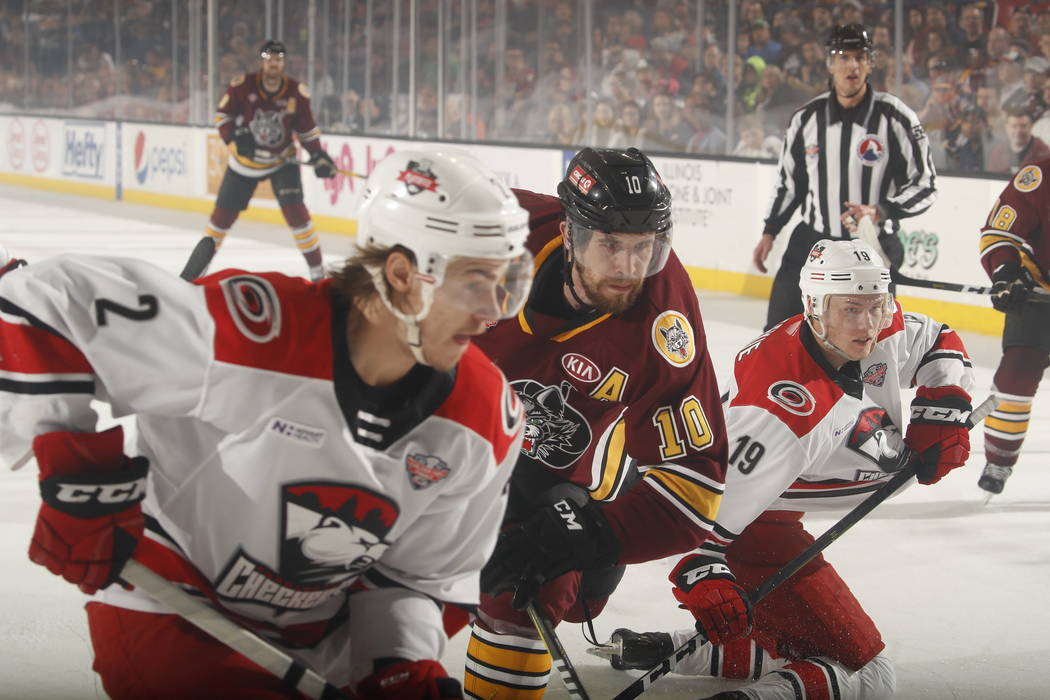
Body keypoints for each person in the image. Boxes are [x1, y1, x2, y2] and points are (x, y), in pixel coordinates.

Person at [0, 148, 536, 699]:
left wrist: (399, 665)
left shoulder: (484, 418)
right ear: (402, 274)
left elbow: (419, 575)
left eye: (504, 283)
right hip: (174, 611)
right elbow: (40, 303)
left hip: (322, 645)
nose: (493, 310)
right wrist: (77, 479)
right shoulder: (252, 332)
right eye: (476, 281)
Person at [596, 239, 975, 700]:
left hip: (772, 512)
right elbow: (702, 527)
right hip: (751, 525)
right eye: (852, 310)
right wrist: (707, 577)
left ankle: (664, 650)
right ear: (814, 306)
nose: (870, 324)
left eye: (877, 307)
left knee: (802, 640)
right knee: (869, 677)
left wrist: (942, 409)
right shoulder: (782, 413)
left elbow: (940, 341)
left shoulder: (877, 327)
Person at [461, 148, 733, 698]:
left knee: (529, 599)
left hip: (560, 470)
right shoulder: (491, 233)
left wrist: (598, 535)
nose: (629, 267)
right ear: (569, 232)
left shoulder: (663, 320)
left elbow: (695, 487)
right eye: (610, 244)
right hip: (455, 429)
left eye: (644, 248)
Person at [753, 24, 937, 331]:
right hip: (812, 242)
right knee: (779, 332)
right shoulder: (806, 119)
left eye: (859, 57)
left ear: (870, 63)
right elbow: (789, 184)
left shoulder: (896, 118)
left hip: (870, 244)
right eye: (843, 56)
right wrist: (770, 231)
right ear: (829, 63)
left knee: (871, 339)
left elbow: (925, 183)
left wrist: (881, 210)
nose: (851, 65)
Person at [180, 39, 338, 282]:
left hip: (282, 162)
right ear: (262, 61)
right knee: (221, 219)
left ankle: (318, 272)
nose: (274, 64)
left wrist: (318, 154)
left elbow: (306, 130)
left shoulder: (297, 92)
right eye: (269, 59)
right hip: (245, 163)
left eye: (278, 59)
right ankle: (197, 270)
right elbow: (223, 117)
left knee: (297, 215)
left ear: (283, 63)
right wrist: (235, 137)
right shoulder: (243, 86)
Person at [976, 157, 1050, 494]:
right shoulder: (1040, 175)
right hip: (1039, 296)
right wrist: (1006, 273)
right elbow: (998, 232)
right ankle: (999, 459)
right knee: (1015, 377)